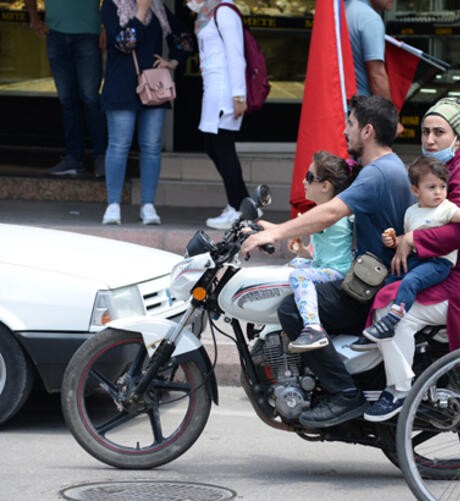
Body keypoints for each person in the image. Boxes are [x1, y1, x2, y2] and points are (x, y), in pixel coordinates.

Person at [241, 95, 413, 429]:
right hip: (370, 280)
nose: (345, 131)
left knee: (291, 310)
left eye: (349, 124)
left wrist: (272, 235)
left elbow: (331, 212)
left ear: (367, 130)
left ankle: (344, 394)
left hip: (372, 289)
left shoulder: (377, 173)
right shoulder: (386, 168)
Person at [359, 97, 460, 422]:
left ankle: (400, 390)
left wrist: (412, 240)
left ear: (459, 135)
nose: (430, 139)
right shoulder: (445, 170)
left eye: (439, 132)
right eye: (425, 131)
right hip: (449, 267)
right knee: (390, 294)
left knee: (395, 310)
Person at [362, 155, 460, 343]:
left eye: (443, 187)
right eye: (432, 187)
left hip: (438, 263)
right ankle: (372, 329)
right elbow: (408, 238)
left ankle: (392, 320)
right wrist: (393, 241)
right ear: (415, 191)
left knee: (410, 282)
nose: (438, 193)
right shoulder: (411, 212)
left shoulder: (446, 207)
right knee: (388, 282)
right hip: (418, 260)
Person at [100, 0, 192, 225]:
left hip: (154, 88)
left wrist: (173, 62)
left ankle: (148, 205)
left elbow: (185, 40)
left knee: (151, 147)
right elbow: (124, 44)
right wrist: (141, 11)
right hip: (121, 87)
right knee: (119, 146)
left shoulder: (159, 8)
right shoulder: (112, 5)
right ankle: (113, 205)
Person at [284, 151, 360, 353]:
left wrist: (261, 229)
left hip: (337, 271)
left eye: (310, 177)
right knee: (293, 266)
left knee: (298, 276)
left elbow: (288, 228)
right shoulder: (327, 212)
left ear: (326, 186)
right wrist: (300, 250)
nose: (304, 181)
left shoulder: (327, 215)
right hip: (326, 266)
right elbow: (316, 254)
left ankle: (313, 328)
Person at [187, 0, 252, 230]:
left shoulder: (224, 11)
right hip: (214, 89)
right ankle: (244, 205)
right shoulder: (210, 13)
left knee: (222, 148)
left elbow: (236, 55)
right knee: (213, 147)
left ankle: (237, 208)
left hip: (226, 91)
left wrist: (238, 96)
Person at [25, 0, 107, 177]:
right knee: (67, 99)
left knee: (91, 98)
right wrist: (33, 17)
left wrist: (107, 27)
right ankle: (74, 158)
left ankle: (102, 156)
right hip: (55, 34)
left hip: (88, 34)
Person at [344, 0, 404, 136]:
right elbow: (376, 75)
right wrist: (389, 120)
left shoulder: (343, 10)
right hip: (362, 116)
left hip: (343, 108)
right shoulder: (370, 19)